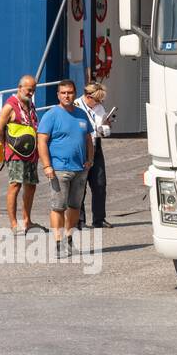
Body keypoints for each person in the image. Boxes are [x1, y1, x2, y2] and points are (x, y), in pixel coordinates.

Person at [36, 80, 94, 257]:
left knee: (75, 206)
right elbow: (42, 141)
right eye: (63, 93)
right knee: (58, 207)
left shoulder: (81, 115)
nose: (67, 96)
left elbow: (88, 139)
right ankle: (58, 242)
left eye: (70, 92)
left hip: (80, 169)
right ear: (58, 95)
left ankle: (70, 239)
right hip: (59, 169)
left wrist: (90, 160)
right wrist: (47, 166)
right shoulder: (51, 115)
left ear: (74, 93)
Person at [1, 75, 43, 234]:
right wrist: (6, 146)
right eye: (28, 89)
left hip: (31, 152)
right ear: (19, 88)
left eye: (33, 90)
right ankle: (13, 224)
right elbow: (0, 127)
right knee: (15, 185)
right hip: (16, 152)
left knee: (31, 186)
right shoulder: (10, 106)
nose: (31, 92)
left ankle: (27, 221)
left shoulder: (29, 104)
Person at [76, 82, 114, 229]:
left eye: (101, 101)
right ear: (88, 96)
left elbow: (103, 124)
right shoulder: (76, 106)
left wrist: (106, 128)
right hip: (81, 148)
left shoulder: (99, 107)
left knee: (100, 184)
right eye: (97, 100)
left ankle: (99, 219)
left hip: (96, 146)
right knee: (80, 185)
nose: (99, 103)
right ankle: (79, 220)